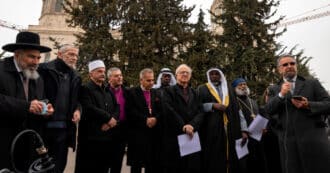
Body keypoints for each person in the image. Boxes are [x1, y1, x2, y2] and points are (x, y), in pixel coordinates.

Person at [265, 55, 330, 173]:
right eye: (285, 65)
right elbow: (268, 110)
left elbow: (328, 104)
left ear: (296, 66)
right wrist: (281, 95)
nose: (289, 66)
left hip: (313, 140)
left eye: (292, 63)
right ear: (279, 69)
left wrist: (308, 105)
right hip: (289, 144)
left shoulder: (312, 83)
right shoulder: (273, 89)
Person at [0, 31, 54, 172]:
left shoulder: (37, 77)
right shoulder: (1, 70)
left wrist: (45, 110)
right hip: (3, 144)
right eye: (31, 57)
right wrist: (26, 106)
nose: (36, 62)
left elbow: (38, 101)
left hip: (28, 145)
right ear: (17, 54)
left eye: (38, 58)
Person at [38, 44, 81, 172]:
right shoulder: (44, 69)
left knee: (59, 166)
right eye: (71, 54)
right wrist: (44, 106)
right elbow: (36, 93)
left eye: (76, 55)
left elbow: (77, 100)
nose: (74, 58)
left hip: (64, 130)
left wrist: (78, 110)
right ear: (60, 54)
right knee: (40, 166)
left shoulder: (75, 76)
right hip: (43, 128)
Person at [75, 60, 119, 173]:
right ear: (91, 74)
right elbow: (89, 108)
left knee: (103, 168)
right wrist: (108, 118)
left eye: (103, 71)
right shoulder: (85, 89)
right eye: (99, 71)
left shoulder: (108, 90)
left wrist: (111, 121)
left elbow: (117, 107)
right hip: (90, 139)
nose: (103, 74)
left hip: (107, 138)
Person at [197, 68, 242, 173]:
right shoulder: (202, 88)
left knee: (231, 154)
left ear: (221, 75)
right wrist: (212, 105)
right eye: (211, 74)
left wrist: (242, 129)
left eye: (216, 74)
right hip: (211, 129)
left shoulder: (229, 89)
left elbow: (236, 108)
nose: (214, 76)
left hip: (230, 127)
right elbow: (197, 106)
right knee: (215, 155)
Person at [162, 64, 204, 173]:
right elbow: (169, 110)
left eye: (187, 72)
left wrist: (192, 125)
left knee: (192, 166)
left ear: (190, 76)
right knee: (176, 166)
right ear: (176, 75)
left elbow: (201, 112)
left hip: (191, 135)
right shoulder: (168, 91)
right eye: (182, 72)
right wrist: (183, 126)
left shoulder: (195, 93)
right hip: (175, 134)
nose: (185, 74)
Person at [126, 68, 161, 173]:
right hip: (138, 134)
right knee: (136, 165)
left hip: (152, 134)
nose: (151, 83)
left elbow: (162, 110)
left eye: (152, 80)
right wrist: (145, 120)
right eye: (148, 80)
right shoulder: (132, 92)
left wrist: (156, 118)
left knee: (151, 164)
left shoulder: (156, 92)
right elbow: (130, 111)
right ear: (141, 80)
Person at [232, 78, 268, 173]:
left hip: (257, 137)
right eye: (240, 85)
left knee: (260, 162)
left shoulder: (253, 101)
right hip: (243, 137)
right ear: (234, 88)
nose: (243, 86)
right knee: (246, 164)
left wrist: (263, 128)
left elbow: (259, 116)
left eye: (244, 84)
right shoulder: (233, 102)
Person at [107, 67, 130, 173]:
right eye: (116, 76)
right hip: (106, 128)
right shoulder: (104, 91)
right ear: (109, 79)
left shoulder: (128, 92)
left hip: (122, 129)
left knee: (118, 160)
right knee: (104, 161)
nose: (120, 77)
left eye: (120, 75)